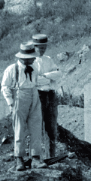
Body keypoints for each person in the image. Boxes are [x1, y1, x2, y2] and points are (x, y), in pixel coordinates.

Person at [0, 43, 48, 170]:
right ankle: (19, 159)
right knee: (19, 129)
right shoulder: (11, 69)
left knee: (36, 126)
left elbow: (38, 80)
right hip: (19, 97)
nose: (34, 59)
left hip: (34, 95)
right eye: (31, 57)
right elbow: (5, 86)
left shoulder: (35, 67)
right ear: (24, 57)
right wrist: (10, 102)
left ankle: (36, 158)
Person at [31, 33, 62, 161]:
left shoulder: (48, 60)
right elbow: (33, 80)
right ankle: (36, 158)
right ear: (34, 47)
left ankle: (52, 156)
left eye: (44, 47)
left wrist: (45, 76)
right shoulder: (29, 60)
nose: (42, 50)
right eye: (40, 48)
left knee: (52, 127)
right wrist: (48, 78)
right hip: (38, 95)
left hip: (50, 95)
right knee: (38, 127)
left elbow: (59, 73)